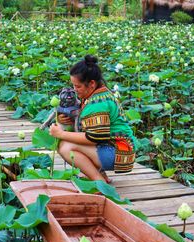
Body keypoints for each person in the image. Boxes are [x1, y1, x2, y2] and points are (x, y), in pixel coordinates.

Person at [50, 55, 136, 183]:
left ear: (91, 84)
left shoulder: (98, 104)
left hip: (118, 152)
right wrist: (63, 118)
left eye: (78, 86)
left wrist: (61, 134)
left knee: (65, 147)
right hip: (117, 147)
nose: (75, 90)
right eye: (73, 85)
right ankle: (102, 177)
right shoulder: (99, 94)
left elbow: (94, 138)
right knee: (71, 140)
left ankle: (99, 181)